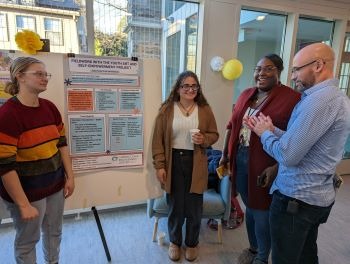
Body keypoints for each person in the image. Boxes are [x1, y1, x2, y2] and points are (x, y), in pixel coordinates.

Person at [246, 43, 350, 264]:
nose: (292, 76)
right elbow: (305, 143)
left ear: (318, 65)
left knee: (285, 258)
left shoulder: (318, 102)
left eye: (296, 69)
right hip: (315, 198)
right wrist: (273, 129)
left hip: (296, 201)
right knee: (305, 255)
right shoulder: (336, 98)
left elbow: (288, 155)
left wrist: (264, 134)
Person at [220, 54, 300, 264]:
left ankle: (262, 257)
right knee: (249, 208)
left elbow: (294, 140)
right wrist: (225, 155)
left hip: (265, 164)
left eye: (268, 69)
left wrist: (276, 167)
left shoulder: (291, 98)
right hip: (240, 159)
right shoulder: (247, 94)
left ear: (279, 71)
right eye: (258, 69)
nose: (261, 73)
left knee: (261, 210)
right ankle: (254, 248)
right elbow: (231, 126)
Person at [0, 57, 75, 264]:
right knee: (27, 241)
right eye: (38, 74)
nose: (45, 78)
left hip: (55, 186)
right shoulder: (7, 115)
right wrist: (23, 205)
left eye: (46, 74)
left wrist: (70, 176)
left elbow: (62, 144)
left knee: (54, 233)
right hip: (27, 192)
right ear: (20, 77)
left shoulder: (49, 108)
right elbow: (5, 167)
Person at [152, 70, 219, 262]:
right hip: (173, 160)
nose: (190, 89)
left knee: (194, 207)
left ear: (198, 89)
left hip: (196, 161)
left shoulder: (204, 109)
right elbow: (157, 141)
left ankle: (191, 243)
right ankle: (175, 242)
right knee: (175, 206)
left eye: (194, 86)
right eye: (186, 86)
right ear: (178, 88)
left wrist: (203, 138)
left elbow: (214, 134)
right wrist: (160, 165)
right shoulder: (167, 109)